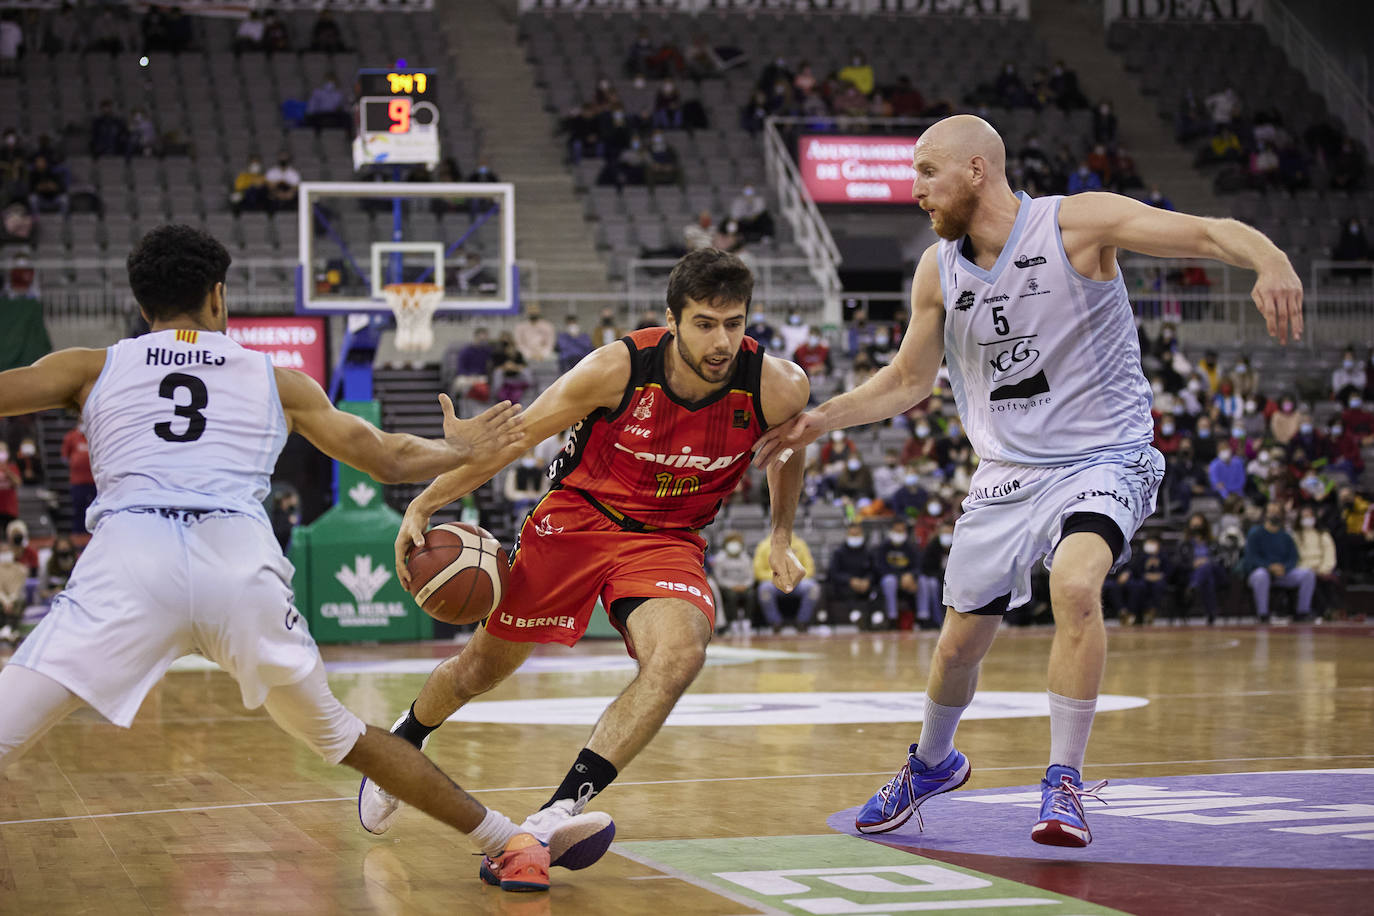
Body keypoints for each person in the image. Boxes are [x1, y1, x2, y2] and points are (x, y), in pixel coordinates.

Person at [753, 114, 1302, 848]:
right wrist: (822, 419)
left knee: (1075, 584)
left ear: (977, 170)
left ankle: (1064, 781)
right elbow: (909, 381)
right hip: (1007, 472)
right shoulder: (937, 269)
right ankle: (932, 763)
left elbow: (1206, 232)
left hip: (1103, 455)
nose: (914, 190)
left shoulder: (1077, 224)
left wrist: (1270, 260)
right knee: (956, 648)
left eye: (926, 172)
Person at [0, 224, 591, 895]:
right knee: (344, 736)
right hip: (238, 567)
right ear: (219, 297)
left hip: (130, 562)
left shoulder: (90, 366)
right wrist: (462, 450)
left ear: (142, 308)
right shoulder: (273, 377)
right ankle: (510, 842)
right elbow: (387, 458)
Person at [357, 250, 811, 873]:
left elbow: (789, 452)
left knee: (680, 654)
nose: (722, 340)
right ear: (673, 321)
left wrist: (781, 533)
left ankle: (554, 817)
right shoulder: (615, 369)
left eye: (734, 323)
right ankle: (404, 741)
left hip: (667, 539)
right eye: (706, 323)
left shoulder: (777, 385)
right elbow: (515, 439)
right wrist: (428, 501)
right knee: (478, 671)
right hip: (574, 521)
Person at [1243, 503, 1316, 621]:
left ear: (1282, 515)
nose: (1274, 515)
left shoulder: (1286, 536)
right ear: (1265, 514)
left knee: (1308, 574)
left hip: (1282, 573)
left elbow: (1293, 558)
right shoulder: (1255, 533)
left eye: (1277, 512)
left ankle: (1302, 612)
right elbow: (1251, 558)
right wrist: (1269, 567)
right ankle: (1263, 614)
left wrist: (1284, 568)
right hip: (1260, 572)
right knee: (1261, 575)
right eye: (1271, 512)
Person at [874, 518, 922, 629]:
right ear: (891, 531)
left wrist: (912, 576)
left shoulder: (911, 547)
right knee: (889, 581)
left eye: (901, 531)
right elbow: (880, 567)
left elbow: (918, 566)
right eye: (897, 531)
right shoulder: (883, 547)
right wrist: (900, 578)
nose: (899, 534)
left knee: (924, 582)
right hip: (891, 578)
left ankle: (923, 617)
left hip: (908, 580)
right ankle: (892, 618)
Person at [712, 531, 756, 635]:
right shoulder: (720, 559)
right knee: (731, 596)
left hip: (744, 586)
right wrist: (732, 586)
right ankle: (733, 623)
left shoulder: (746, 558)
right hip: (727, 587)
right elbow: (719, 578)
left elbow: (750, 577)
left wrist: (744, 585)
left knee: (751, 594)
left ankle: (747, 622)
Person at [60, 424, 95, 534]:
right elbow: (64, 457)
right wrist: (75, 463)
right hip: (78, 481)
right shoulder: (72, 436)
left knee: (94, 510)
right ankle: (78, 535)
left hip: (94, 481)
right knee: (79, 509)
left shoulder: (94, 435)